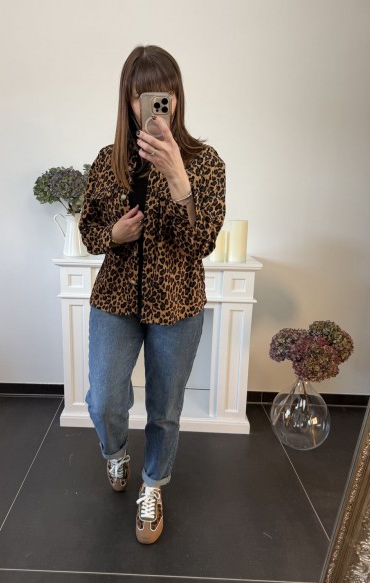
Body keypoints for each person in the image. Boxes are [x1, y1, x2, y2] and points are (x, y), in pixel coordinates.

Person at [79, 45, 226, 544]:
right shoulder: (108, 161)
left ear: (177, 98)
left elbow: (201, 242)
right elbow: (88, 230)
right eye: (142, 96)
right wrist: (113, 235)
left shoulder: (205, 163)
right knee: (104, 399)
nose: (154, 107)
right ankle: (116, 452)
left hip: (177, 303)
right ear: (128, 101)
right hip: (115, 298)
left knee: (165, 408)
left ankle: (153, 485)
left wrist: (178, 178)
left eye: (164, 95)